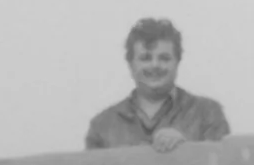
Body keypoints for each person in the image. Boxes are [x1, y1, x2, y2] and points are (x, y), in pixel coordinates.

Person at [84, 17, 230, 152]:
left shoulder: (207, 114)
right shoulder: (102, 126)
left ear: (178, 62)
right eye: (145, 58)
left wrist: (186, 149)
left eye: (164, 58)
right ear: (130, 65)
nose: (155, 65)